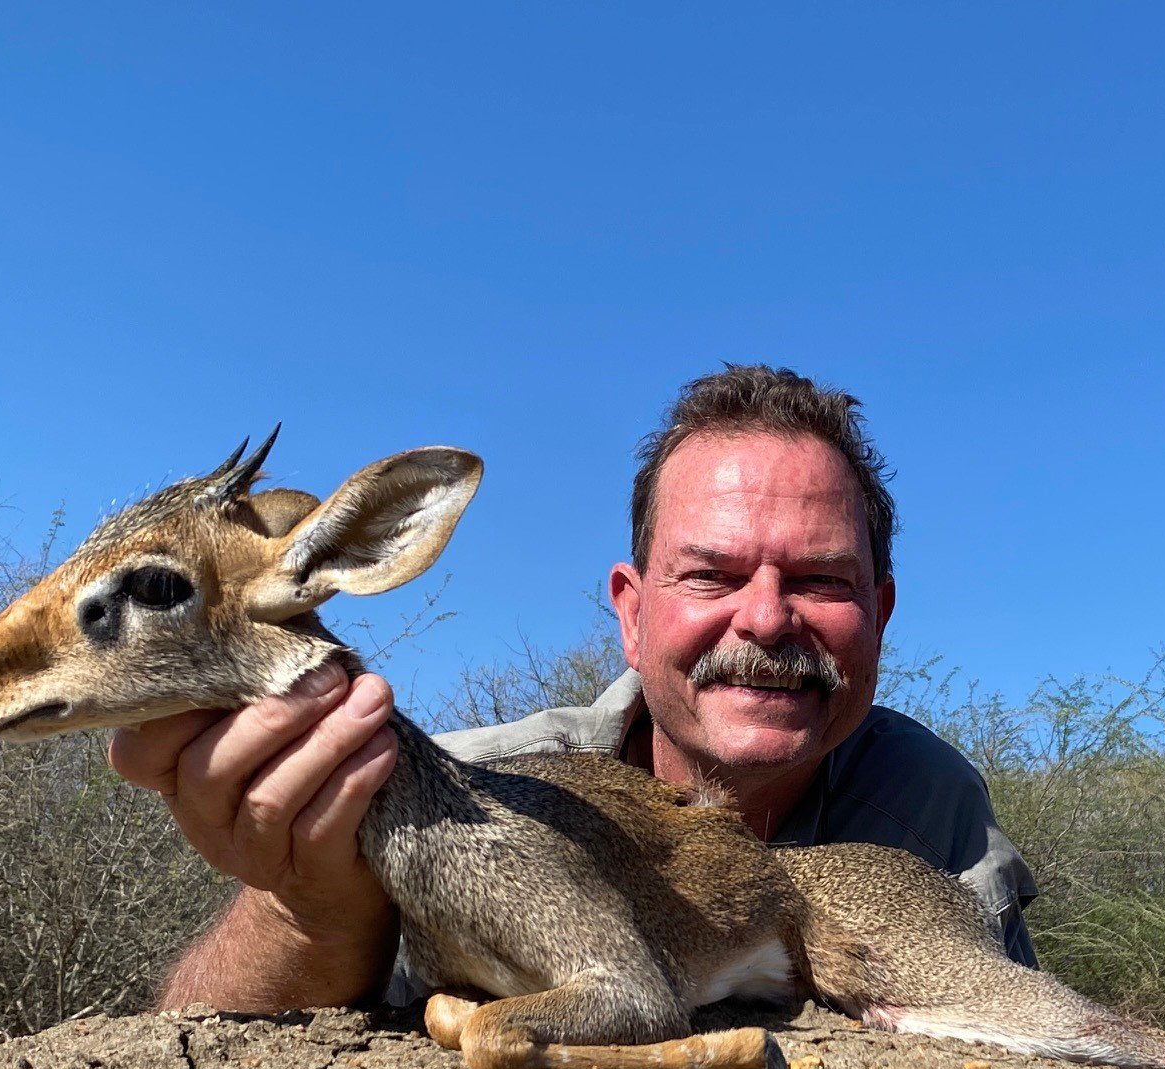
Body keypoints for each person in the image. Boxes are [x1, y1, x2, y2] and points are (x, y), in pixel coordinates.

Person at [111, 365, 1039, 1019]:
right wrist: (305, 910)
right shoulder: (463, 786)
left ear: (879, 614)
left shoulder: (933, 804)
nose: (766, 619)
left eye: (822, 582)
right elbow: (195, 1043)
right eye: (710, 577)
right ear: (630, 615)